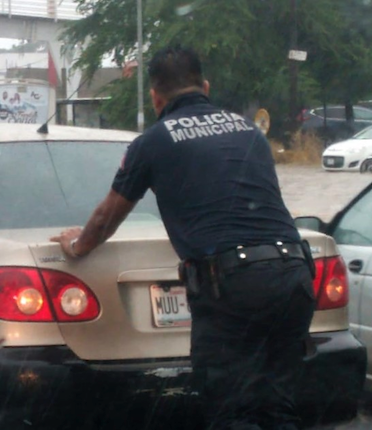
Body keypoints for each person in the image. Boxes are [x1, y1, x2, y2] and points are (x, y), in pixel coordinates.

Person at [51, 45, 315, 430]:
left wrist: (77, 246)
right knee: (278, 407)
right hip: (293, 274)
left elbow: (107, 218)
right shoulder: (249, 133)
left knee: (234, 411)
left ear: (155, 97)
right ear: (205, 87)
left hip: (234, 286)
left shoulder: (153, 143)